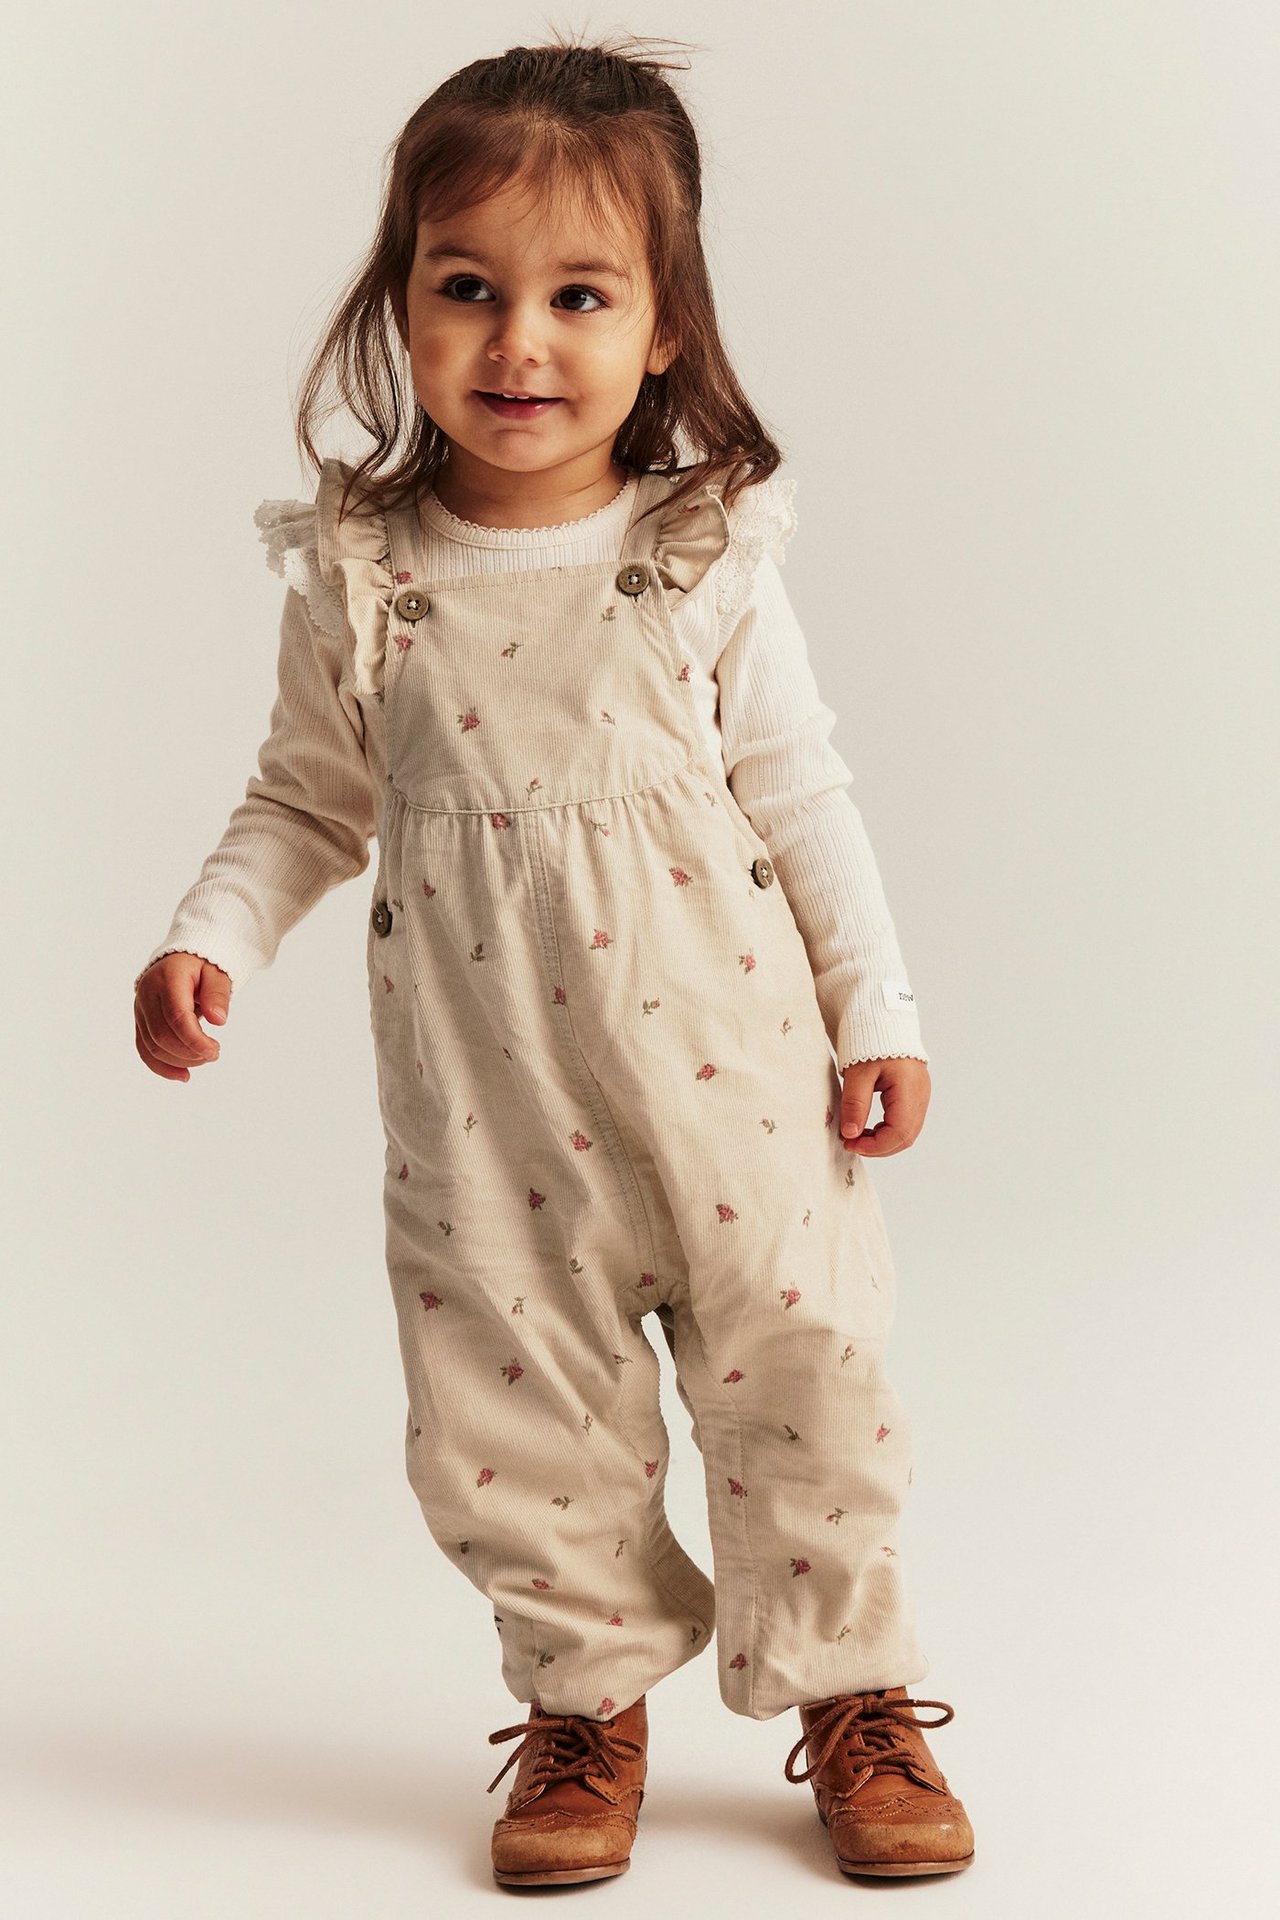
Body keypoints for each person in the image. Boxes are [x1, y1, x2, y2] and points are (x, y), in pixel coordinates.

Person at [132, 32, 974, 1889]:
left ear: (664, 326)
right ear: (402, 308)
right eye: (468, 291)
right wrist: (210, 934)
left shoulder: (700, 551)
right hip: (485, 1116)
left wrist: (879, 1008)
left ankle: (855, 1691)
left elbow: (805, 794)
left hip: (737, 1090)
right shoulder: (369, 572)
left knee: (806, 1370)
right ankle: (586, 1704)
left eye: (579, 295)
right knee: (517, 1418)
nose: (520, 343)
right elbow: (300, 803)